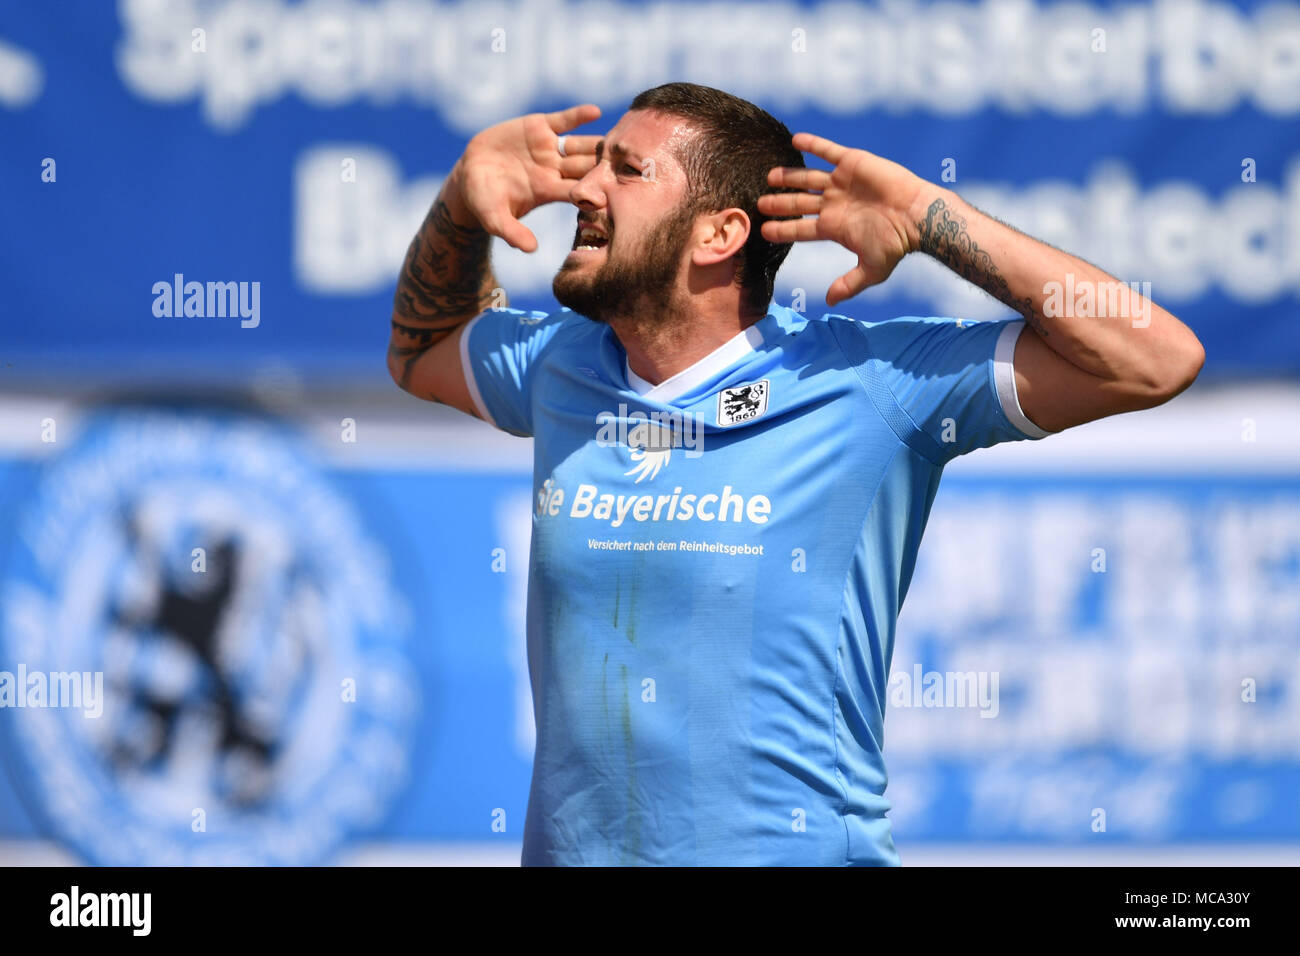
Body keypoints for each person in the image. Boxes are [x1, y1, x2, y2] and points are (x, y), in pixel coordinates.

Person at [389, 82, 1204, 865]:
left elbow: (1153, 360)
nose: (586, 188)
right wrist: (462, 205)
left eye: (627, 170)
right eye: (594, 163)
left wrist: (932, 217)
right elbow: (422, 348)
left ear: (720, 234)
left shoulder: (866, 382)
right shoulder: (562, 367)